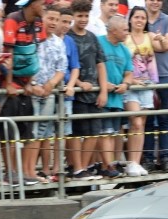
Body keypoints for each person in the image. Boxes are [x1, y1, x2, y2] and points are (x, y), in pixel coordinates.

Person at [1, 0, 46, 186]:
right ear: (32, 3)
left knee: (27, 132)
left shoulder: (38, 23)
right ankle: (9, 172)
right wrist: (10, 83)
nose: (45, 6)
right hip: (10, 83)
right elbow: (7, 54)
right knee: (8, 134)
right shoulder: (12, 20)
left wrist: (31, 81)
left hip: (27, 83)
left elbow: (35, 55)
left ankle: (23, 172)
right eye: (43, 3)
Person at [67, 0, 108, 180]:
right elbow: (66, 66)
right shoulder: (68, 37)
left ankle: (84, 167)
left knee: (94, 132)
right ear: (73, 16)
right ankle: (77, 168)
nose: (83, 19)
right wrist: (79, 83)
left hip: (94, 91)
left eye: (85, 16)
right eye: (79, 16)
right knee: (77, 132)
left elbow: (101, 64)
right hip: (76, 93)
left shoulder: (92, 37)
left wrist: (104, 90)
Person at [28, 5, 66, 183]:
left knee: (43, 132)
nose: (53, 23)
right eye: (50, 18)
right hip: (32, 90)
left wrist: (51, 83)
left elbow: (61, 68)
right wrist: (33, 84)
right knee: (32, 131)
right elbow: (26, 61)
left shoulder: (59, 42)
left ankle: (34, 173)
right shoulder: (33, 37)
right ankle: (28, 171)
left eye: (56, 20)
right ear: (43, 18)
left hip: (49, 91)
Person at [142, 0, 168, 173]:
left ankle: (166, 158)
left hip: (164, 74)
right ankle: (147, 158)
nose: (155, 2)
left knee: (164, 118)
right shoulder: (139, 17)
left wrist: (153, 40)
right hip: (143, 76)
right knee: (147, 119)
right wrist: (159, 41)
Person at [97, 16, 133, 178]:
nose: (127, 33)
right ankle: (107, 165)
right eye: (125, 29)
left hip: (117, 98)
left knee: (112, 133)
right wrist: (104, 84)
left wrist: (125, 84)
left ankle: (108, 164)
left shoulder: (125, 49)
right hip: (102, 95)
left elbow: (129, 73)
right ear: (113, 30)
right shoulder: (99, 42)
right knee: (105, 132)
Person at [123, 6, 157, 177]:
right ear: (130, 19)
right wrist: (130, 79)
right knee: (135, 122)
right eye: (136, 17)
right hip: (131, 84)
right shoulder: (125, 37)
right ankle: (131, 162)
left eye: (143, 18)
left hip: (147, 84)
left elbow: (165, 45)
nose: (139, 20)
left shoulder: (149, 36)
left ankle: (136, 162)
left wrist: (161, 37)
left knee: (141, 125)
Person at [51, 6, 80, 179]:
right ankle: (50, 169)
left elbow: (75, 67)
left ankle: (58, 167)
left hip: (67, 92)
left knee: (63, 132)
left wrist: (70, 85)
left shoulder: (70, 41)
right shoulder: (47, 39)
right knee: (47, 132)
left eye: (69, 22)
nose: (66, 25)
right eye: (64, 21)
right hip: (50, 89)